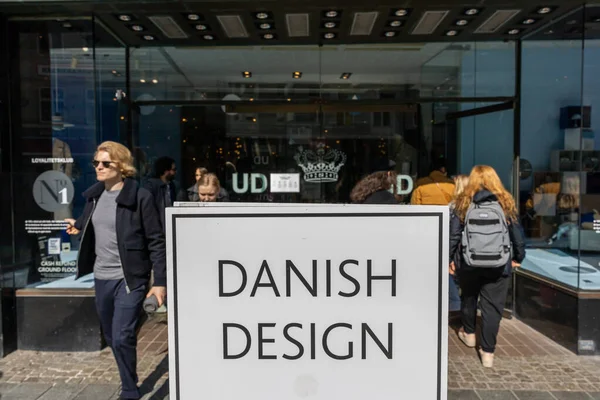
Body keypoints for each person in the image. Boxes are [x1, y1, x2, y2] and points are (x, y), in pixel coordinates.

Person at [65, 141, 166, 399]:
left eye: (105, 163)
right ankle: (129, 375)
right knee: (112, 336)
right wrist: (77, 225)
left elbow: (156, 240)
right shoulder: (94, 196)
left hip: (130, 278)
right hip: (102, 278)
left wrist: (160, 283)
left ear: (121, 166)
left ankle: (130, 390)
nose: (98, 167)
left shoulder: (139, 197)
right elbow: (94, 222)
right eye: (96, 162)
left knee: (122, 336)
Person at [449, 165, 525, 368]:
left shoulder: (463, 203)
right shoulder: (505, 202)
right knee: (492, 307)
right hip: (499, 263)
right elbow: (517, 234)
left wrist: (449, 259)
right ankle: (487, 352)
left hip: (469, 262)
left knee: (469, 297)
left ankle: (470, 334)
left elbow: (454, 235)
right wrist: (518, 257)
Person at [448, 175, 469, 318]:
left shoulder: (455, 206)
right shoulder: (476, 204)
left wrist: (447, 255)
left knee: (452, 277)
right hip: (473, 250)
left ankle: (455, 306)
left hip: (458, 250)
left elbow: (454, 234)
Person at [144, 156, 177, 229]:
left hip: (170, 225)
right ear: (166, 171)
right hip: (157, 228)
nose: (175, 172)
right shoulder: (151, 186)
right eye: (174, 170)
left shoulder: (172, 186)